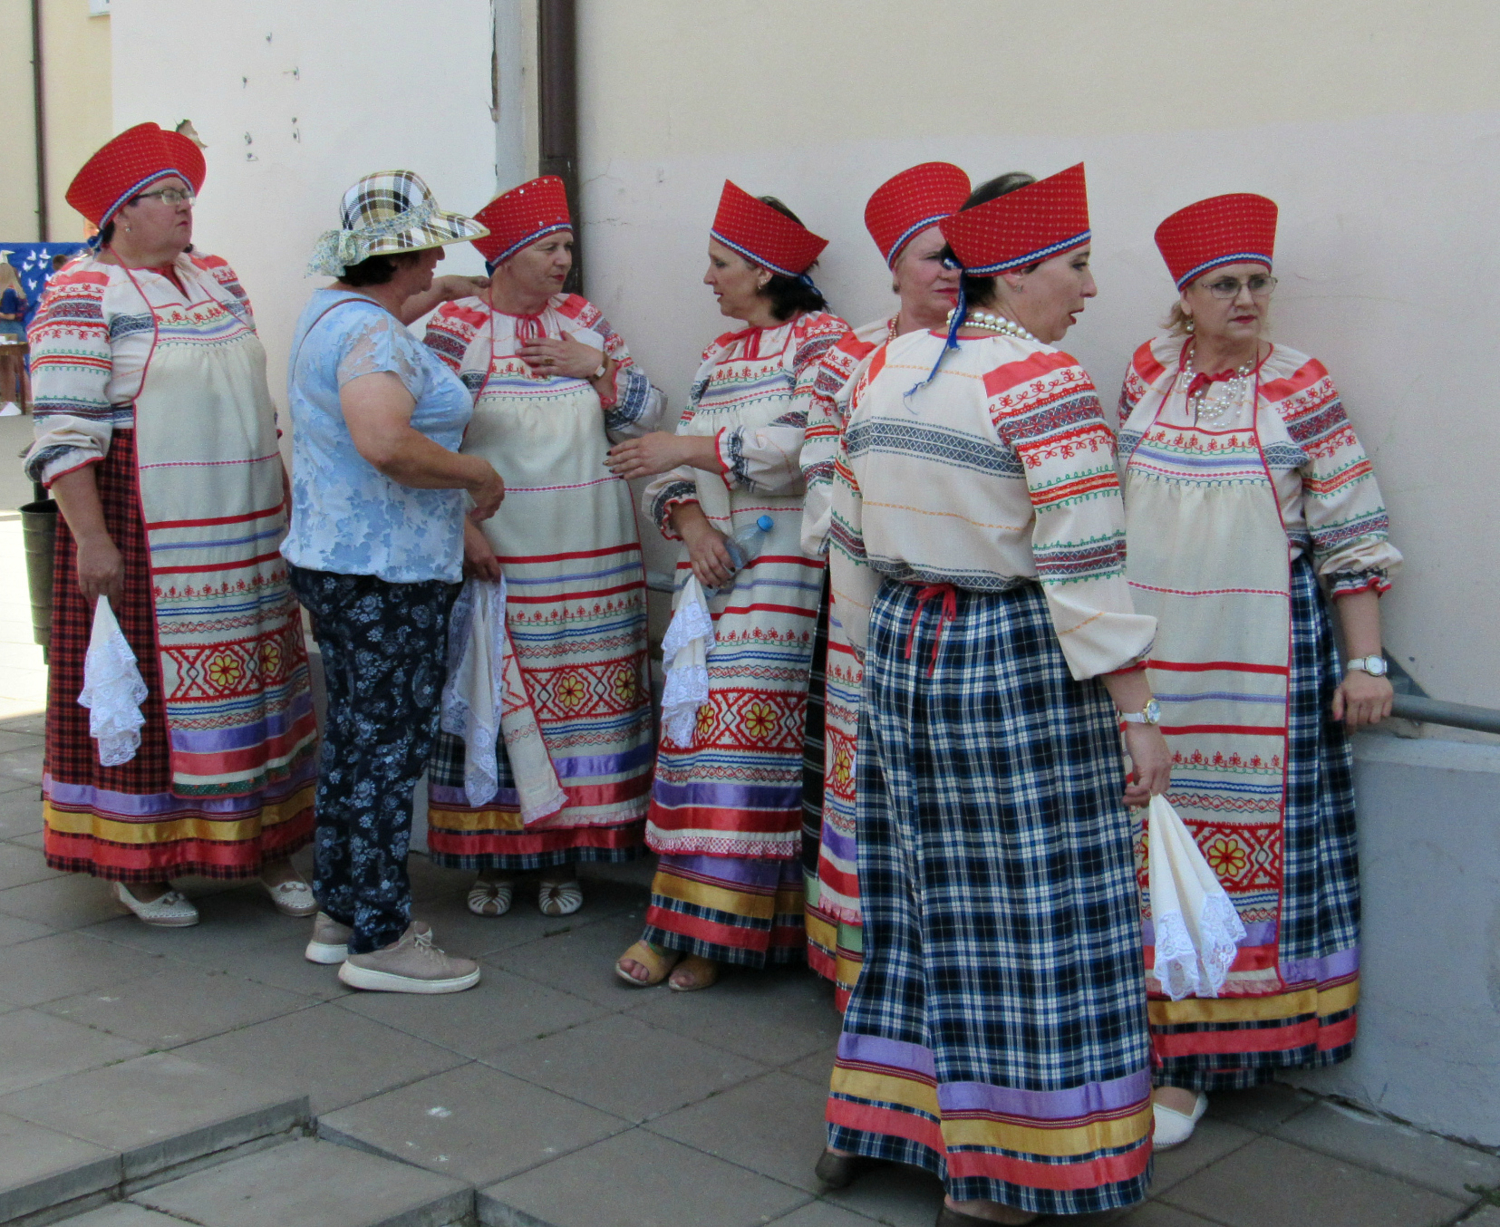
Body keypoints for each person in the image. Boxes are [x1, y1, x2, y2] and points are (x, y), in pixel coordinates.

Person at [820, 165, 1170, 1225]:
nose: (1091, 289)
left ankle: (895, 1126)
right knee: (1035, 910)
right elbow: (1085, 569)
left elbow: (845, 545)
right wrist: (1138, 712)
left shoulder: (878, 372)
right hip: (1014, 654)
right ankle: (1011, 1177)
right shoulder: (1046, 384)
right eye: (1075, 265)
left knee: (923, 895)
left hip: (906, 645)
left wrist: (871, 664)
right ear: (1016, 275)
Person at [1118, 194, 1399, 1146]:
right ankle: (1138, 1039)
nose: (1245, 298)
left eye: (1257, 282)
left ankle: (1203, 1064)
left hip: (1259, 663)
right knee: (1142, 844)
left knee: (1236, 849)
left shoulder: (1300, 386)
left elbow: (1351, 529)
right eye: (1223, 284)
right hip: (1151, 657)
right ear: (1184, 298)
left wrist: (1364, 659)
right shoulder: (1146, 373)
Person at [21, 123, 318, 926]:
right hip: (149, 527)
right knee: (159, 697)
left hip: (247, 526)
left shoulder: (216, 278)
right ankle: (143, 866)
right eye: (167, 196)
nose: (186, 209)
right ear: (120, 213)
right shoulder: (82, 294)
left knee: (262, 682)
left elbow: (251, 396)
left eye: (187, 195)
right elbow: (63, 432)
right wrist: (92, 539)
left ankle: (270, 844)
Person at [605, 181, 851, 991]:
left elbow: (803, 446)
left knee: (745, 747)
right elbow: (665, 470)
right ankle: (679, 919)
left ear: (765, 268)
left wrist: (686, 447)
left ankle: (720, 932)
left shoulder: (824, 342)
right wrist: (693, 524)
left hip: (782, 574)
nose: (708, 279)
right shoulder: (716, 357)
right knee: (688, 744)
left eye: (720, 264)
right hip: (702, 577)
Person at [284, 170, 504, 993]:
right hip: (386, 572)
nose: (443, 253)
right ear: (406, 253)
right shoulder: (374, 339)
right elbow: (384, 438)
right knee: (386, 750)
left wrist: (430, 293)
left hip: (340, 560)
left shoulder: (332, 314)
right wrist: (472, 473)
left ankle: (339, 909)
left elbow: (375, 338)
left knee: (356, 739)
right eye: (430, 245)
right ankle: (380, 938)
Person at [421, 176, 661, 917]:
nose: (563, 261)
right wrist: (460, 530)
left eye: (567, 247)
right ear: (508, 256)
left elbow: (644, 416)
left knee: (576, 705)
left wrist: (598, 369)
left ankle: (566, 859)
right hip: (500, 554)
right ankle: (493, 862)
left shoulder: (586, 321)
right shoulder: (455, 327)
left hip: (591, 555)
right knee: (496, 694)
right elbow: (422, 441)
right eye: (549, 248)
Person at [798, 162, 969, 1010]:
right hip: (868, 598)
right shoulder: (849, 356)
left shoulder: (993, 351)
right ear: (896, 265)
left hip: (963, 609)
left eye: (964, 259)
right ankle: (867, 971)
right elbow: (820, 460)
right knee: (862, 770)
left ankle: (945, 978)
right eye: (937, 257)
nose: (952, 273)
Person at [0, 251, 29, 415]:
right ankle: (20, 400)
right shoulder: (13, 291)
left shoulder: (8, 292)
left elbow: (10, 315)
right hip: (10, 331)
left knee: (8, 367)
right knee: (15, 368)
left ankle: (11, 401)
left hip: (8, 331)